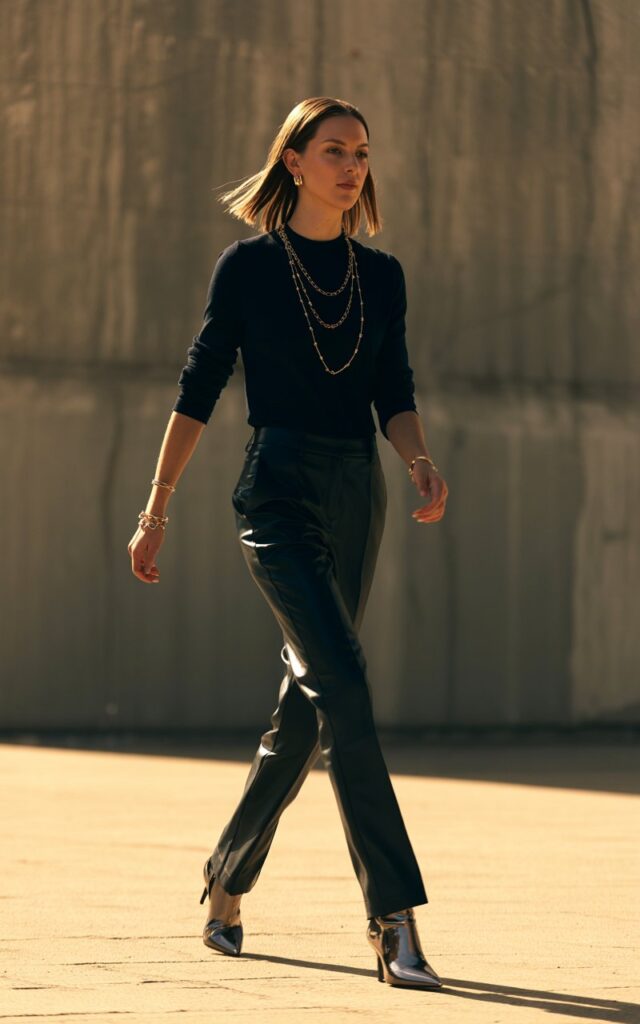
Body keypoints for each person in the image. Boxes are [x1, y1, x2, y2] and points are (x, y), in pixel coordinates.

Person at [127, 96, 448, 991]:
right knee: (344, 684)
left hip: (358, 493)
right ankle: (394, 917)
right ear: (295, 162)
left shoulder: (381, 276)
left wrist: (419, 459)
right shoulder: (249, 270)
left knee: (313, 706)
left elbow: (395, 387)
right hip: (275, 494)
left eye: (363, 154)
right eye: (336, 150)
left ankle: (227, 876)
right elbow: (198, 388)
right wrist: (157, 508)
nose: (353, 167)